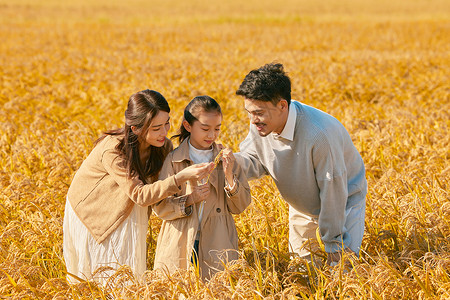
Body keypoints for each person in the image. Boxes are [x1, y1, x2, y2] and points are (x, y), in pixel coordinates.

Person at [63, 89, 213, 284]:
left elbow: (159, 196)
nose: (164, 132)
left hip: (130, 208)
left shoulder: (163, 147)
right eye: (156, 128)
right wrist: (179, 178)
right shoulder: (113, 150)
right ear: (136, 128)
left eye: (166, 123)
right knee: (106, 279)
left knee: (129, 275)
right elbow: (140, 195)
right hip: (94, 213)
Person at [234, 63, 367, 266]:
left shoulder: (318, 135)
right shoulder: (262, 124)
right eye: (249, 112)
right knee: (303, 271)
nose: (252, 120)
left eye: (258, 112)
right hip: (302, 207)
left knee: (341, 272)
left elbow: (333, 189)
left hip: (342, 204)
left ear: (282, 106)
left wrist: (334, 243)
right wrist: (230, 164)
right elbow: (254, 160)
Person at [152, 95, 251, 279]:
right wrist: (190, 199)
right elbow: (160, 207)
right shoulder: (174, 159)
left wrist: (229, 177)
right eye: (205, 128)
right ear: (188, 126)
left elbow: (240, 206)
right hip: (180, 240)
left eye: (217, 129)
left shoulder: (226, 159)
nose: (212, 135)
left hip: (217, 242)